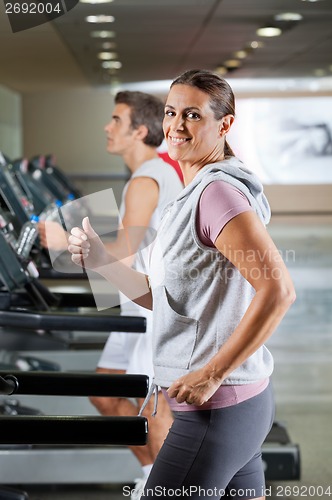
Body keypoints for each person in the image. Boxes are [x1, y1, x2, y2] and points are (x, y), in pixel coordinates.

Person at [68, 70, 296, 500]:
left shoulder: (217, 195)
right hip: (234, 408)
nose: (176, 125)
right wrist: (101, 261)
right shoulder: (189, 196)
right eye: (172, 112)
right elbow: (166, 300)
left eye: (192, 115)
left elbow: (278, 291)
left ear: (224, 125)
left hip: (216, 410)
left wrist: (212, 374)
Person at [40, 90, 182, 499]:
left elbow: (125, 251)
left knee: (152, 407)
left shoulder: (146, 178)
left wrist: (64, 239)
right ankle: (154, 476)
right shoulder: (151, 174)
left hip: (149, 308)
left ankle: (166, 490)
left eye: (116, 120)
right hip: (132, 307)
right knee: (104, 391)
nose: (107, 126)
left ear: (139, 130)